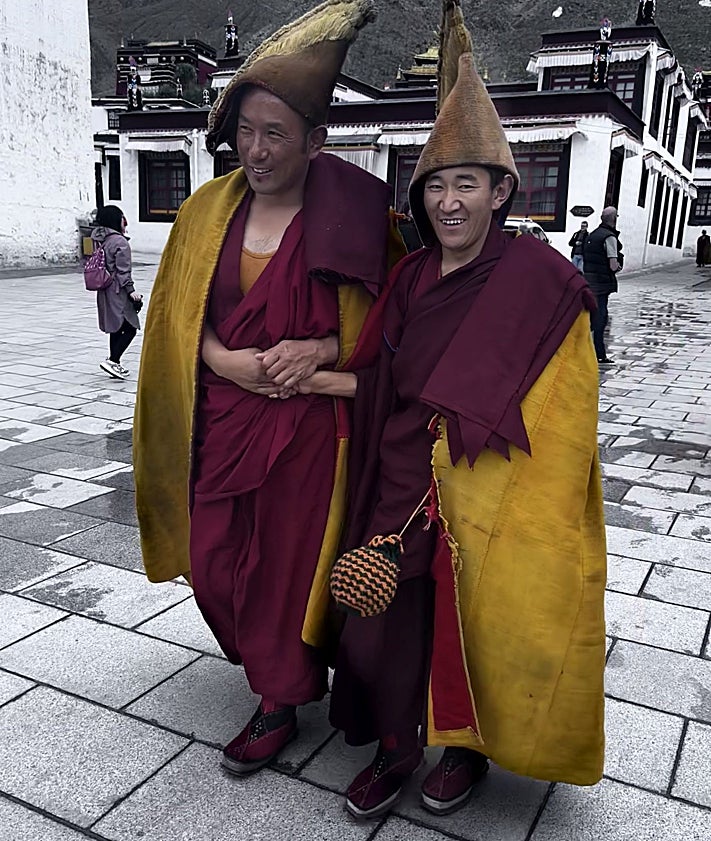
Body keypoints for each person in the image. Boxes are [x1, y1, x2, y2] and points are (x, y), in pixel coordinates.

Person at [316, 0, 607, 819]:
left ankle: (463, 750)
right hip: (403, 470)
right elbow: (377, 375)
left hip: (490, 476)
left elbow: (566, 400)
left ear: (500, 190)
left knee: (473, 617)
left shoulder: (541, 281)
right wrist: (308, 377)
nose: (448, 202)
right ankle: (395, 744)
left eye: (465, 184)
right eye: (435, 184)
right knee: (383, 621)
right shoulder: (409, 278)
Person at [133, 0, 405, 778]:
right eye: (245, 131)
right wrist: (220, 361)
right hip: (222, 417)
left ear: (316, 142)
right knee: (216, 561)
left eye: (275, 133)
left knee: (286, 568)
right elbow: (179, 316)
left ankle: (279, 698)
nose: (255, 150)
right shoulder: (204, 213)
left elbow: (383, 322)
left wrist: (321, 344)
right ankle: (272, 667)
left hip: (310, 434)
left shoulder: (356, 214)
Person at [90, 205, 142, 380]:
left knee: (116, 327)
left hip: (104, 289)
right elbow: (123, 271)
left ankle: (115, 364)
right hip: (118, 290)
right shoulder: (120, 242)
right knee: (130, 328)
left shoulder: (100, 239)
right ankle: (112, 360)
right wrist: (131, 291)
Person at [583, 206, 621, 364]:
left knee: (591, 317)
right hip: (602, 283)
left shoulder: (592, 235)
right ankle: (599, 354)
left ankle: (585, 350)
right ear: (614, 219)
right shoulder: (609, 237)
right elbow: (613, 264)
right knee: (600, 318)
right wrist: (618, 266)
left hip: (589, 280)